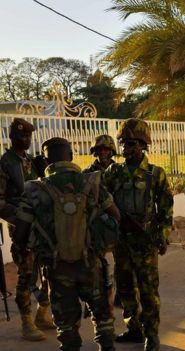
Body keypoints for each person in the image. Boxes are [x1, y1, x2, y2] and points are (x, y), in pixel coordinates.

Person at [12, 137, 120, 351]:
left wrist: (24, 248)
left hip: (57, 267)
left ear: (45, 160)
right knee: (103, 319)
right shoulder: (92, 182)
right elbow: (115, 215)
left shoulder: (34, 189)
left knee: (66, 327)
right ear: (71, 157)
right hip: (91, 265)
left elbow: (21, 230)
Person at [103, 118, 173, 351]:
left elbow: (165, 209)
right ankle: (134, 328)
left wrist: (162, 234)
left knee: (148, 291)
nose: (126, 148)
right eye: (123, 143)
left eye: (132, 143)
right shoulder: (113, 172)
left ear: (144, 145)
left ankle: (151, 336)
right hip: (122, 241)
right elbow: (102, 201)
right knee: (124, 289)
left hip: (145, 243)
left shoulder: (155, 174)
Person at [0, 118, 54, 341]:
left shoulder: (31, 161)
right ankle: (26, 321)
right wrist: (20, 218)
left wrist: (47, 174)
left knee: (49, 269)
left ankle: (43, 313)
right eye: (22, 136)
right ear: (12, 138)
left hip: (41, 226)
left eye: (29, 136)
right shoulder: (6, 162)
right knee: (26, 273)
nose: (27, 139)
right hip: (23, 227)